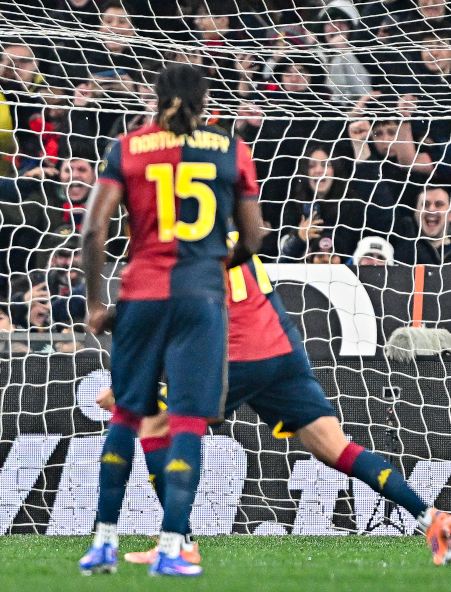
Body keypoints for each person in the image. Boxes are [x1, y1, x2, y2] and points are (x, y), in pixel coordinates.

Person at [107, 246, 451, 567]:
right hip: (284, 352)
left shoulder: (180, 247)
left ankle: (178, 542)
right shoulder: (229, 236)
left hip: (238, 354)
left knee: (155, 423)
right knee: (335, 448)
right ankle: (432, 520)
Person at [77, 63, 263, 577]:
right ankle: (172, 547)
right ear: (206, 103)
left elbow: (95, 231)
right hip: (201, 299)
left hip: (142, 294)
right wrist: (213, 265)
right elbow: (252, 237)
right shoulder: (231, 149)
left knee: (126, 413)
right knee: (186, 420)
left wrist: (96, 303)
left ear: (155, 98)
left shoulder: (129, 147)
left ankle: (103, 543)